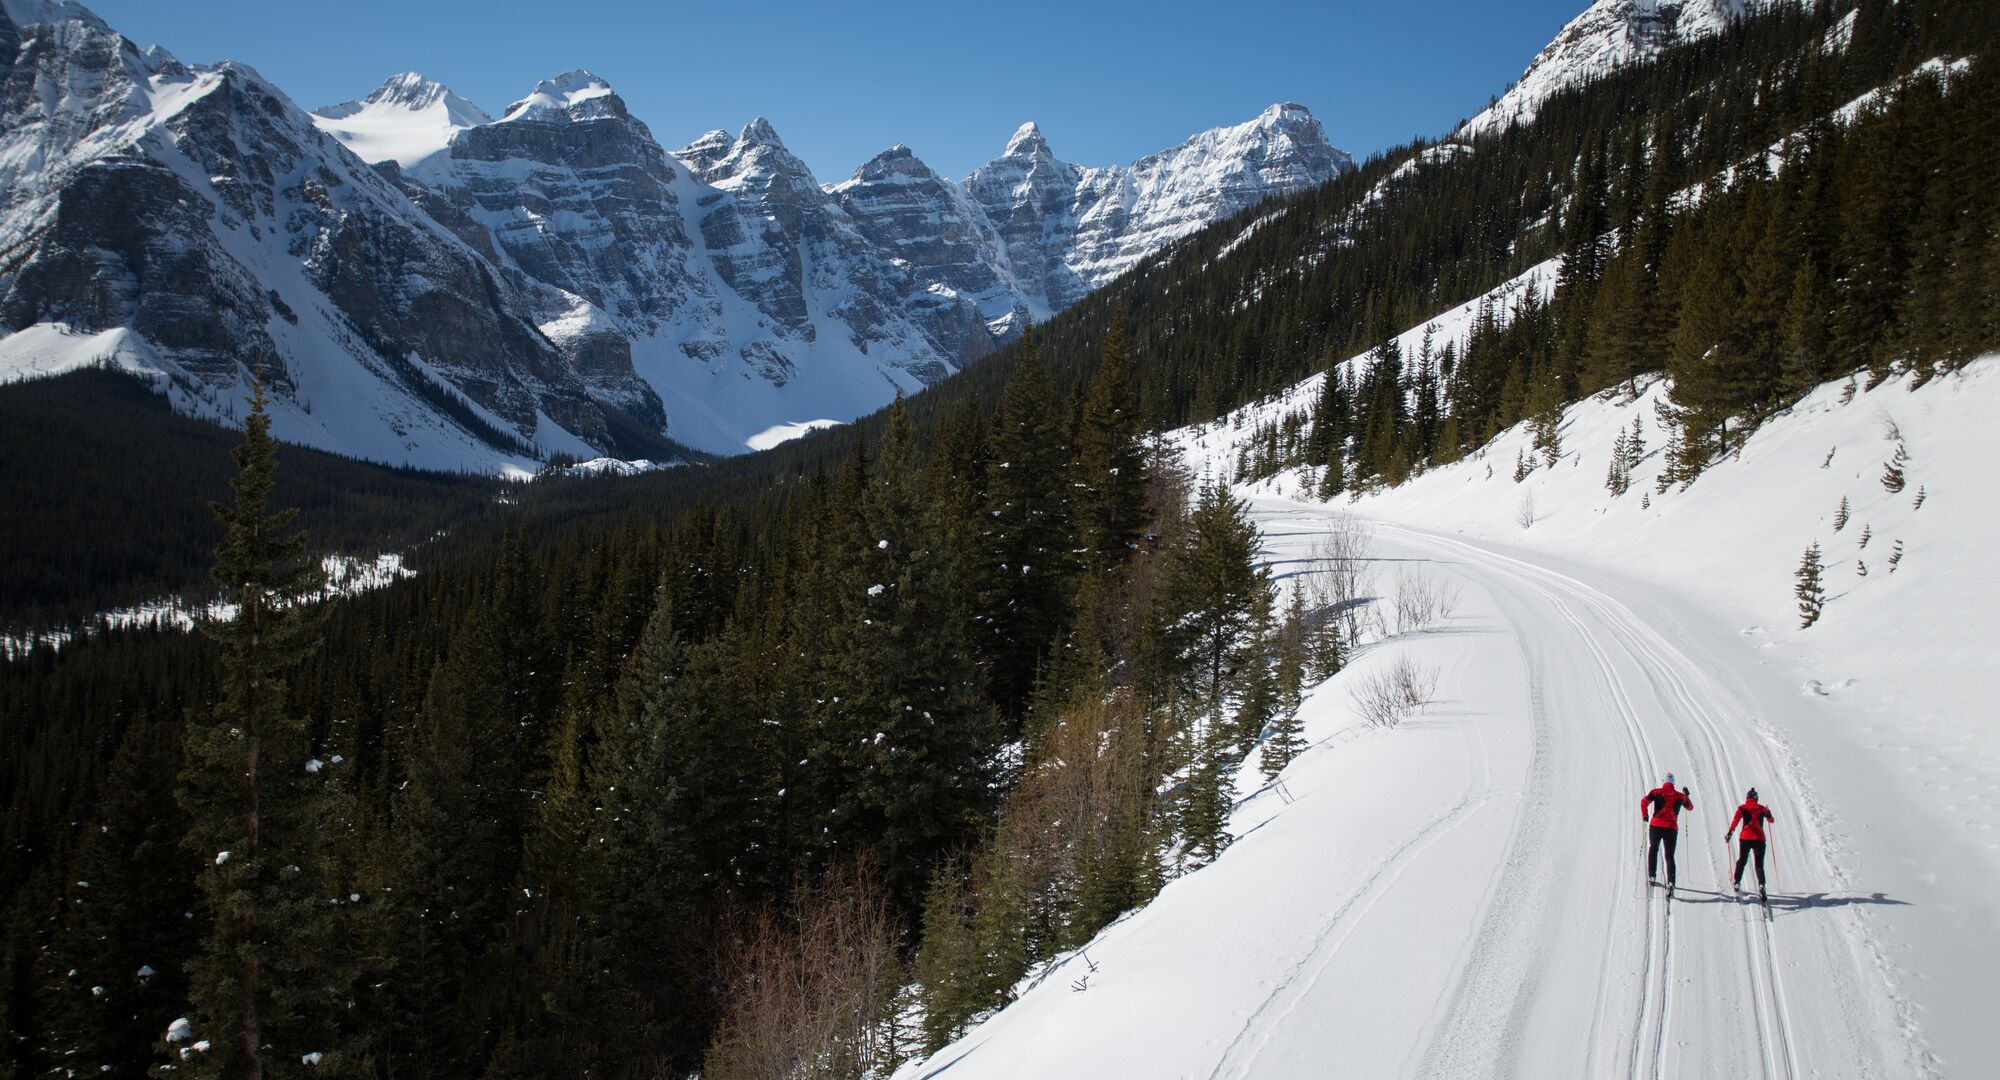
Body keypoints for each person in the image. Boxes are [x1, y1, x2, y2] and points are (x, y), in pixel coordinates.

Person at [1641, 773, 1693, 888]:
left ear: (1664, 782)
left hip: (1656, 826)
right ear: (1673, 783)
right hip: (1671, 828)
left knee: (1653, 849)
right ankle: (1670, 883)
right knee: (1669, 856)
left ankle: (1652, 876)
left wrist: (1645, 815)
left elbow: (1644, 802)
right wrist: (1686, 795)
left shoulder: (1656, 792)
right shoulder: (1680, 796)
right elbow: (1689, 807)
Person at [1725, 787, 1775, 900]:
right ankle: (1761, 885)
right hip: (1759, 839)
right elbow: (1771, 820)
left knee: (1742, 860)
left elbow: (1735, 821)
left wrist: (1729, 834)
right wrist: (1768, 813)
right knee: (1759, 865)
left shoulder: (1742, 808)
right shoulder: (1762, 808)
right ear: (1756, 798)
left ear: (1747, 797)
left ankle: (1737, 882)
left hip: (1745, 838)